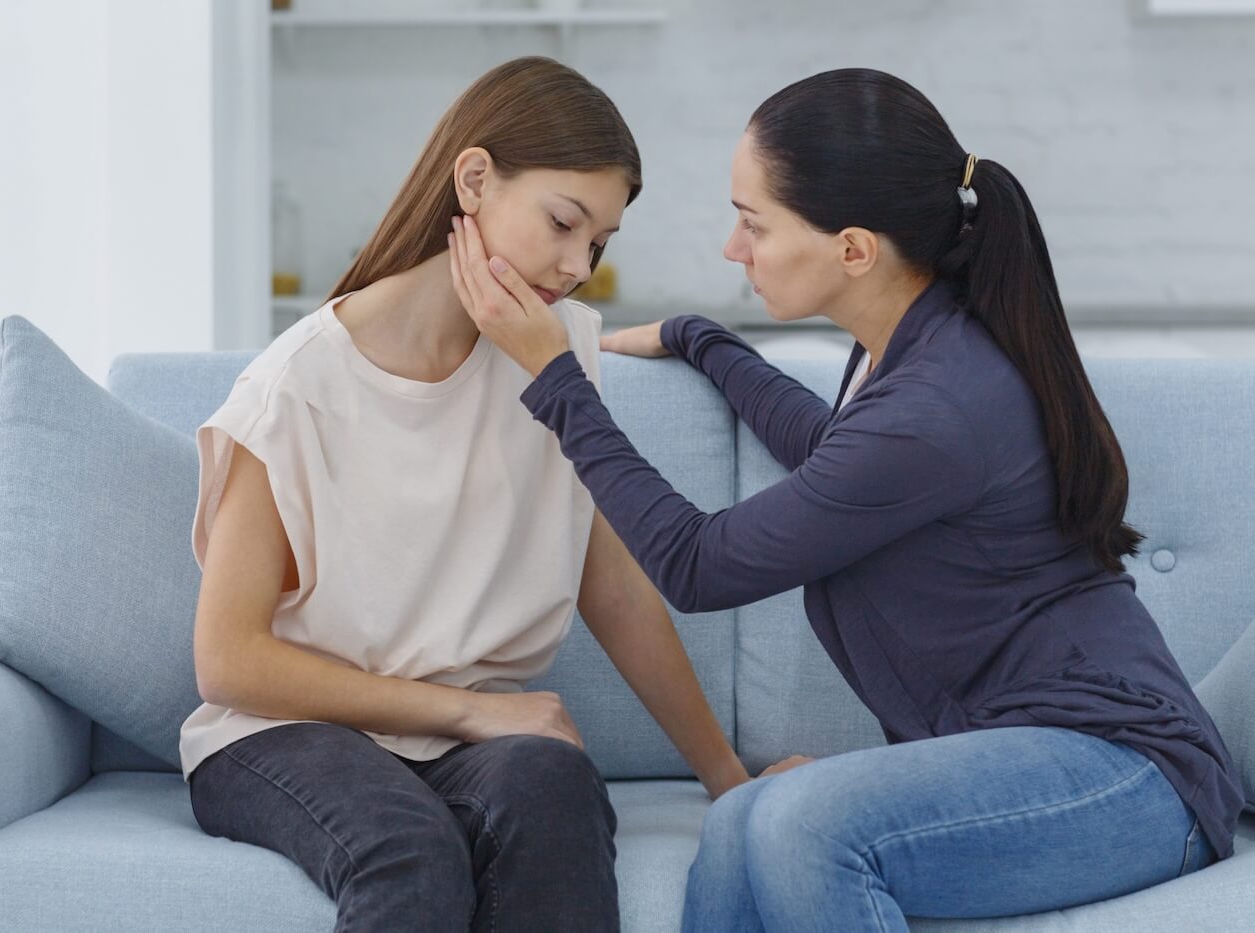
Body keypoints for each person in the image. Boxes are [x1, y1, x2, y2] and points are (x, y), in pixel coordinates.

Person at [450, 67, 1242, 931]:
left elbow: (697, 564)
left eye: (753, 223)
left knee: (803, 822)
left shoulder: (939, 402)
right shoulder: (906, 351)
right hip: (1027, 756)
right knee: (742, 818)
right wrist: (698, 337)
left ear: (853, 249)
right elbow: (830, 450)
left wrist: (558, 381)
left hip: (1129, 778)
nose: (732, 248)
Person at [182, 56, 749, 933]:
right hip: (281, 736)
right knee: (410, 847)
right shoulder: (295, 387)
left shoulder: (555, 362)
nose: (576, 266)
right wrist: (471, 709)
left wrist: (731, 782)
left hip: (462, 748)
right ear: (475, 179)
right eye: (563, 222)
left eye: (597, 243)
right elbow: (229, 660)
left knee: (554, 784)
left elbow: (614, 586)